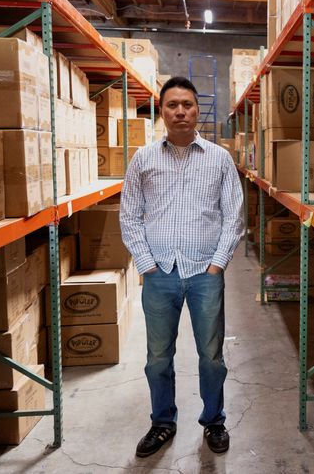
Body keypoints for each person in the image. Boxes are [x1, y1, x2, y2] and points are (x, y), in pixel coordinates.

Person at [120, 76, 244, 458]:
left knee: (212, 356)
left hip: (205, 272)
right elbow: (129, 217)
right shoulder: (143, 159)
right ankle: (162, 421)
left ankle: (214, 421)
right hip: (160, 273)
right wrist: (146, 265)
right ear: (162, 111)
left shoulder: (219, 159)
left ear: (197, 110)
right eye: (172, 105)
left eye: (187, 104)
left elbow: (234, 216)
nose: (180, 112)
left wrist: (217, 265)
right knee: (158, 357)